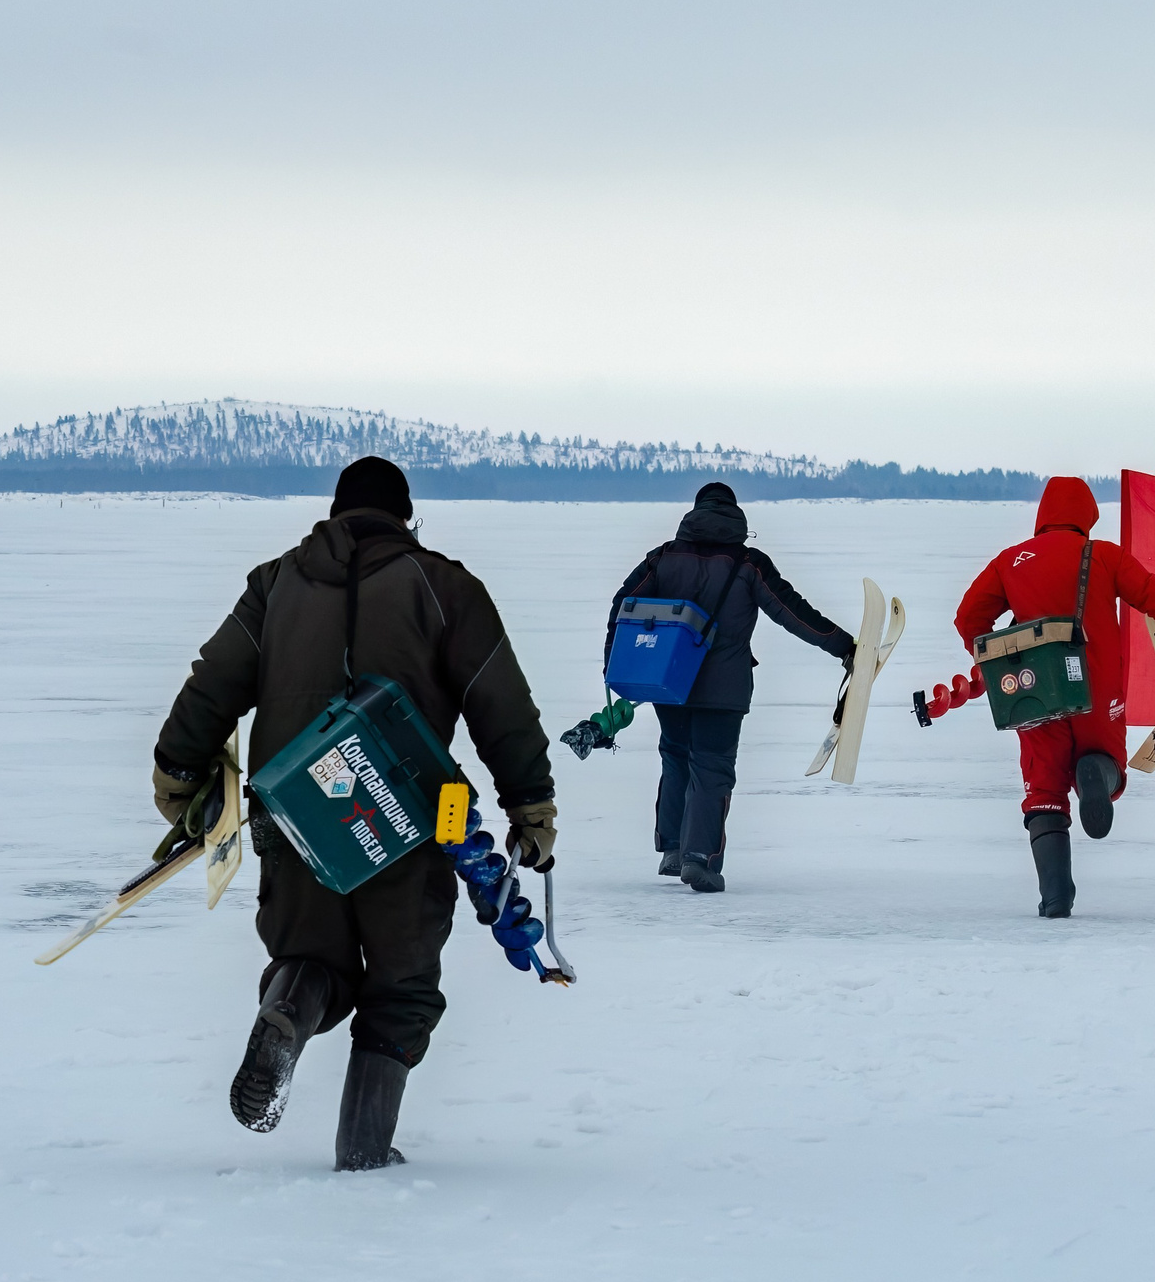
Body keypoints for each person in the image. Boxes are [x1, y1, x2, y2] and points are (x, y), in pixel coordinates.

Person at [150, 456, 555, 1170]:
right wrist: (530, 805)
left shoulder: (275, 583)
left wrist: (178, 775)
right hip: (408, 816)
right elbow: (502, 702)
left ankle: (285, 1015)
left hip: (296, 811)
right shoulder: (446, 586)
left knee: (310, 954)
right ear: (406, 516)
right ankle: (363, 1154)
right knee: (401, 982)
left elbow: (212, 684)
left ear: (335, 511)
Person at [955, 476, 1155, 918]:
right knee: (1105, 757)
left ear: (1043, 515)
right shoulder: (1103, 555)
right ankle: (1096, 773)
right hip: (1095, 683)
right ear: (1087, 516)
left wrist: (1000, 660)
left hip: (1033, 687)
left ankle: (1056, 897)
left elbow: (968, 618)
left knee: (1044, 785)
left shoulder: (1011, 561)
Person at [606, 482, 858, 893]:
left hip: (668, 680)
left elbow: (623, 608)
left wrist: (613, 665)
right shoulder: (748, 564)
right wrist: (843, 646)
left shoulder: (662, 558)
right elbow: (792, 612)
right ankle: (700, 859)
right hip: (724, 687)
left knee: (676, 757)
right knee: (712, 765)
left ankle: (673, 850)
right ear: (736, 517)